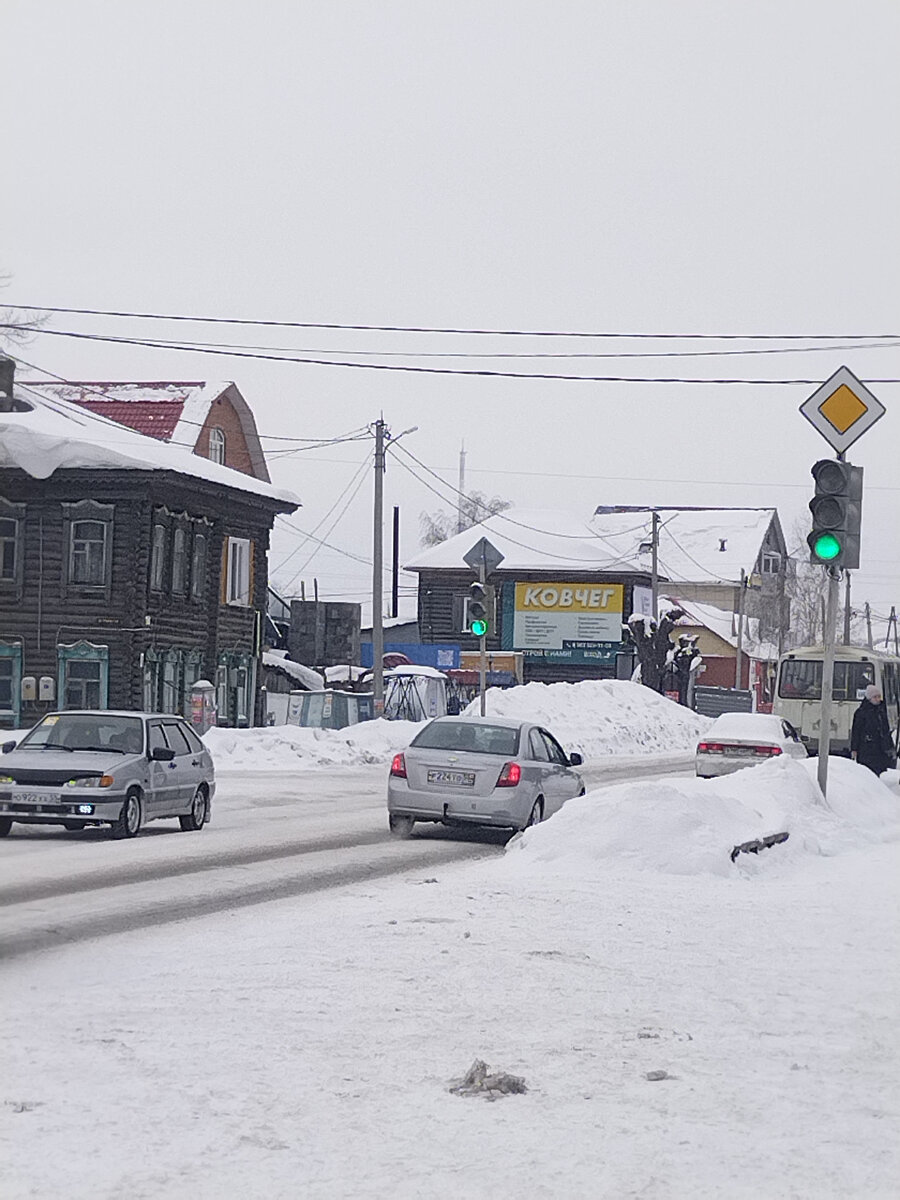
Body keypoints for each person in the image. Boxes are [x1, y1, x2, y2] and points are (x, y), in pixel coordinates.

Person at [850, 685, 894, 776]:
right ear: (869, 698)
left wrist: (889, 745)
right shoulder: (861, 713)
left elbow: (885, 729)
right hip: (866, 749)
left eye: (879, 697)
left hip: (880, 749)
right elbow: (856, 731)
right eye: (875, 697)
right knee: (867, 772)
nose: (878, 699)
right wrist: (854, 748)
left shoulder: (881, 711)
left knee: (878, 771)